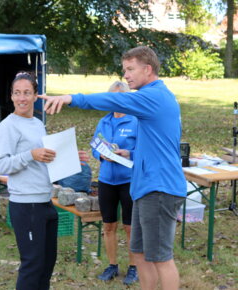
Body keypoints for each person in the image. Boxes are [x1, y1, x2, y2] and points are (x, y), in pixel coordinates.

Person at [41, 46, 187, 290]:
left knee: (161, 257)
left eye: (130, 69)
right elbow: (161, 143)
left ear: (148, 69)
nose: (126, 75)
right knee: (139, 252)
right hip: (145, 188)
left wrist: (71, 98)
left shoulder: (154, 96)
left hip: (160, 188)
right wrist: (130, 153)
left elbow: (114, 99)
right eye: (124, 70)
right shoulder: (154, 97)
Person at [0, 71, 88, 289]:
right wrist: (30, 155)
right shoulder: (8, 126)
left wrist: (69, 155)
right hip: (26, 205)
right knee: (32, 265)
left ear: (36, 95)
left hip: (46, 201)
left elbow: (45, 158)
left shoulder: (37, 123)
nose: (22, 98)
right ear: (11, 96)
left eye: (27, 92)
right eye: (17, 93)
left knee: (46, 264)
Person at [92, 81, 138, 285]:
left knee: (130, 228)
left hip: (128, 181)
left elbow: (144, 151)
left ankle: (134, 267)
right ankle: (112, 265)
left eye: (119, 98)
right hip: (106, 180)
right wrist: (103, 155)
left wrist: (128, 153)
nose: (115, 102)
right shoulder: (104, 121)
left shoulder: (136, 121)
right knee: (109, 225)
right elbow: (95, 146)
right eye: (112, 98)